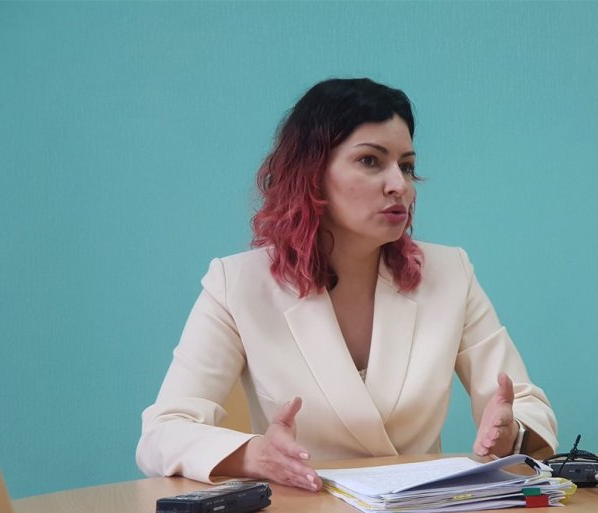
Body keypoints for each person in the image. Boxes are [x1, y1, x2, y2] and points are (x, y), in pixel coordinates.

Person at [136, 78, 557, 492]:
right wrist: (256, 455)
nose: (399, 185)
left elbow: (523, 403)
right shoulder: (237, 284)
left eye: (407, 166)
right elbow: (163, 432)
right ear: (311, 174)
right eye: (370, 161)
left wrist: (512, 434)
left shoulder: (450, 272)